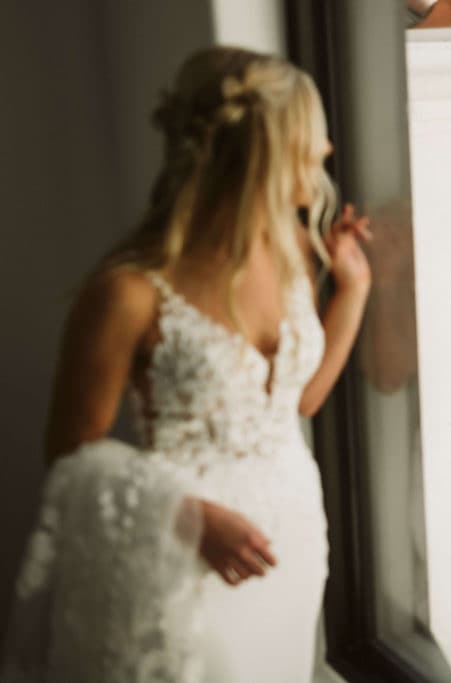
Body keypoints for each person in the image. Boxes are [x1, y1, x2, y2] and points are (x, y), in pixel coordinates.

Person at [2, 47, 370, 682]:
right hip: (188, 559)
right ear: (261, 151)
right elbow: (70, 459)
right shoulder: (128, 292)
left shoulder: (287, 262)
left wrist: (355, 289)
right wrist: (187, 518)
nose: (329, 149)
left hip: (297, 541)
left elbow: (300, 401)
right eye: (311, 137)